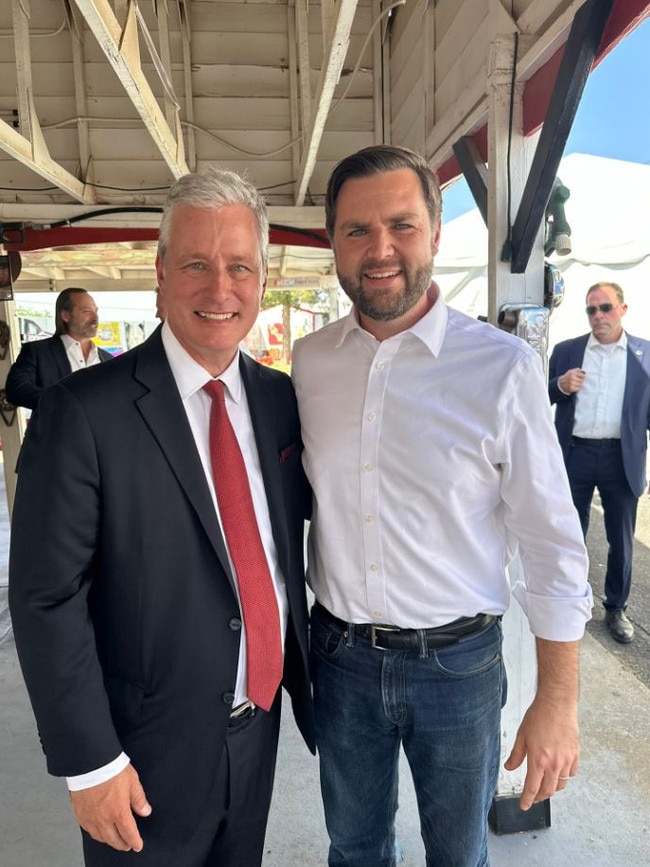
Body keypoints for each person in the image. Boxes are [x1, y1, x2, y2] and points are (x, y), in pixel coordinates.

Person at [291, 145, 592, 867]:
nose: (380, 249)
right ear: (332, 239)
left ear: (436, 231)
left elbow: (552, 542)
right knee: (354, 847)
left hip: (458, 665)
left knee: (459, 855)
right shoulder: (309, 363)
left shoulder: (502, 367)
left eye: (402, 224)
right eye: (356, 230)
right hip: (340, 657)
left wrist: (558, 700)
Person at [9, 167, 315, 867]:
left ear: (263, 278)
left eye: (240, 266)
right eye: (197, 265)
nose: (220, 288)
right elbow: (45, 595)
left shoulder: (278, 400)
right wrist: (89, 762)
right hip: (139, 755)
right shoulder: (82, 412)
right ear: (160, 274)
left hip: (257, 734)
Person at [548, 282, 650, 644]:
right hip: (574, 453)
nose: (598, 316)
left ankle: (616, 608)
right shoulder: (567, 351)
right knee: (568, 531)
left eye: (605, 308)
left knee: (620, 539)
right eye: (591, 310)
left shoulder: (644, 355)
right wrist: (559, 385)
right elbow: (538, 394)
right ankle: (568, 600)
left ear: (622, 310)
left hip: (620, 459)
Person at [5, 287, 112, 409]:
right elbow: (16, 389)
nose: (95, 318)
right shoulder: (38, 352)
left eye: (96, 311)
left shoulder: (109, 360)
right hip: (57, 427)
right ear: (66, 316)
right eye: (87, 311)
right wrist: (58, 402)